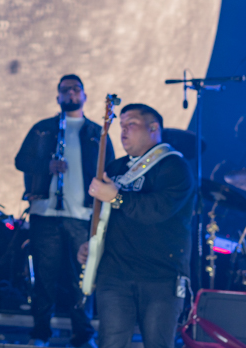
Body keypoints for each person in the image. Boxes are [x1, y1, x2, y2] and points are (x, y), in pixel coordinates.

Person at [79, 104, 193, 348]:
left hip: (160, 277)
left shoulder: (175, 167)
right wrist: (91, 242)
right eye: (121, 125)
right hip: (115, 274)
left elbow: (157, 209)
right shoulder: (115, 168)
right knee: (111, 343)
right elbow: (102, 215)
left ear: (153, 128)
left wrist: (117, 197)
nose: (123, 131)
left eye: (131, 124)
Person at [14, 75, 112, 348]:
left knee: (81, 278)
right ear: (58, 96)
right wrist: (46, 165)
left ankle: (83, 336)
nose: (70, 93)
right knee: (44, 278)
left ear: (84, 96)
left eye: (76, 89)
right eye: (65, 90)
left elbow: (111, 168)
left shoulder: (97, 132)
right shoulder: (42, 129)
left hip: (82, 215)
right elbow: (21, 160)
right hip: (45, 213)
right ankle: (40, 334)